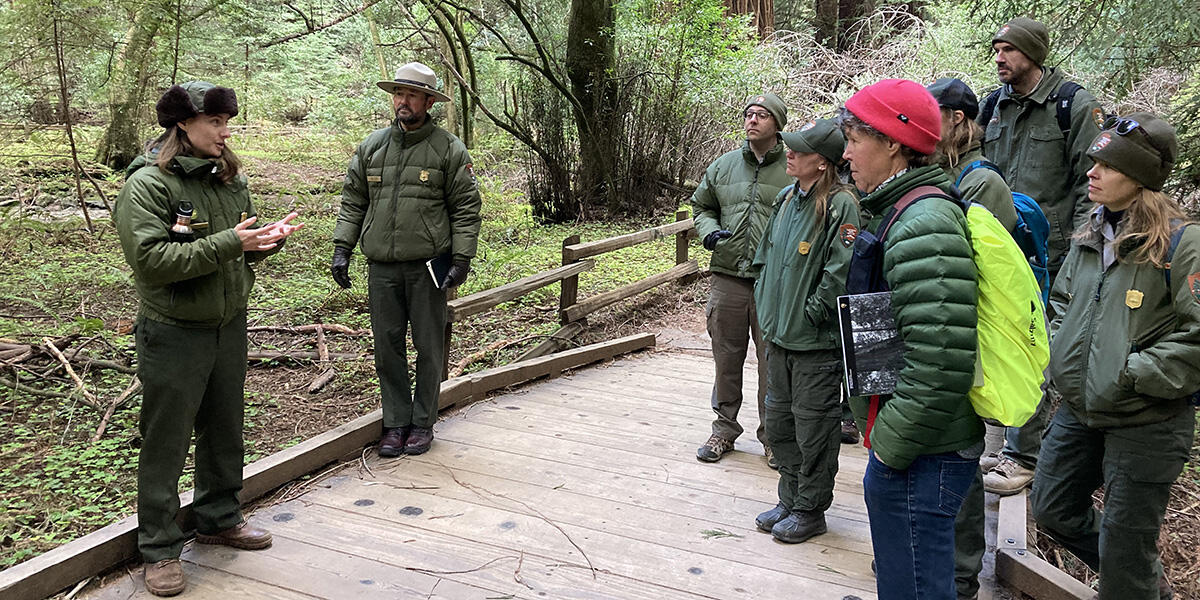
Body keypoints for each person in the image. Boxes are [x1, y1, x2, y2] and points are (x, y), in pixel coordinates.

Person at [114, 81, 302, 597]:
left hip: (228, 324)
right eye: (215, 122)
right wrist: (229, 242)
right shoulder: (149, 185)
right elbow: (152, 262)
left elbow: (235, 249)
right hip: (174, 332)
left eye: (226, 122)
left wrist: (262, 243)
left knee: (224, 427)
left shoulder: (227, 178)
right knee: (166, 440)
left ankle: (219, 517)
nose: (225, 132)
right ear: (183, 126)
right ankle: (159, 546)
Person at [1031, 113, 1198, 600]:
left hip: (1147, 417)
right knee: (1052, 508)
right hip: (1081, 409)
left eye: (1107, 165)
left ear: (1141, 178)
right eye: (1094, 162)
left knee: (1127, 546)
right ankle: (1140, 583)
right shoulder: (1091, 233)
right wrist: (1062, 349)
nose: (1091, 172)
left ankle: (1131, 580)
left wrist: (1131, 372)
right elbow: (1062, 301)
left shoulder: (1183, 245)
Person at [839, 79, 983, 600]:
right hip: (914, 440)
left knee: (916, 588)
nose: (846, 150)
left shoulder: (925, 223)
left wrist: (889, 450)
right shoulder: (899, 211)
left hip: (925, 449)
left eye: (855, 137)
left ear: (895, 143)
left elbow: (940, 360)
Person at [977, 16, 1105, 495]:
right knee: (995, 339)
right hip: (996, 248)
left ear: (1032, 53)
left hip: (1048, 255)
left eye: (1008, 50)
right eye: (996, 49)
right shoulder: (993, 106)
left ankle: (1021, 454)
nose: (999, 58)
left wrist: (1081, 249)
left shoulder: (1072, 106)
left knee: (1036, 347)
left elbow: (1092, 184)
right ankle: (996, 433)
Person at [331, 62, 482, 458]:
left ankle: (422, 422)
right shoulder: (372, 147)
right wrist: (342, 248)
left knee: (429, 346)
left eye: (411, 95)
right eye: (398, 94)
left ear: (429, 101)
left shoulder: (449, 149)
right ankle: (395, 422)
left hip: (427, 266)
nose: (402, 101)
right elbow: (353, 203)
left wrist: (462, 258)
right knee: (387, 346)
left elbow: (466, 209)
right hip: (381, 266)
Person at [751, 118, 859, 543]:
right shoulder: (784, 198)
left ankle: (811, 509)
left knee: (813, 430)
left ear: (823, 162)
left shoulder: (840, 205)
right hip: (777, 338)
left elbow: (839, 272)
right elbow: (764, 259)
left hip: (815, 344)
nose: (789, 153)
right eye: (789, 147)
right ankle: (789, 499)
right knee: (779, 425)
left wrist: (812, 314)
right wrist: (765, 305)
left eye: (800, 149)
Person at [928, 76, 1015, 600]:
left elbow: (979, 270)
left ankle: (960, 573)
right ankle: (933, 556)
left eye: (930, 114)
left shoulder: (982, 183)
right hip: (944, 329)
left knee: (959, 449)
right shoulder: (946, 171)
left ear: (956, 119)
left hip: (968, 337)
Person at [691, 93, 792, 466]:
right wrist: (709, 232)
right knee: (726, 357)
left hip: (773, 280)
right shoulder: (724, 166)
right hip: (728, 275)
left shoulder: (794, 166)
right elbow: (702, 205)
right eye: (748, 114)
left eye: (762, 115)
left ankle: (774, 437)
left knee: (772, 361)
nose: (752, 121)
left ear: (777, 123)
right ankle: (723, 430)